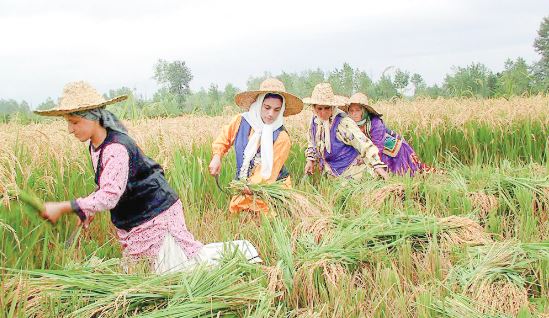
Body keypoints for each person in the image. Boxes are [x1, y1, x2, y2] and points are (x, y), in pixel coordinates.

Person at [36, 81, 261, 274]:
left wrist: (66, 206)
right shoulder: (96, 147)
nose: (69, 129)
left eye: (74, 122)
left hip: (157, 214)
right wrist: (88, 208)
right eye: (67, 122)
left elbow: (110, 196)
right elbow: (110, 185)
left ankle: (243, 253)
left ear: (94, 117)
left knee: (183, 270)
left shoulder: (116, 148)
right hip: (137, 217)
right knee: (145, 272)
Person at [208, 78, 303, 215]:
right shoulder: (241, 121)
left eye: (276, 110)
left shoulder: (282, 137)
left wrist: (251, 186)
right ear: (259, 104)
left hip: (269, 187)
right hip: (245, 185)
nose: (271, 114)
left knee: (266, 218)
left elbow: (269, 174)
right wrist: (217, 156)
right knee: (237, 214)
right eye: (267, 108)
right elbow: (224, 139)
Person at [303, 83, 388, 180]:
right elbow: (312, 141)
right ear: (314, 108)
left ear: (332, 107)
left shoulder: (343, 123)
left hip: (352, 171)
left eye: (327, 108)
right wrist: (310, 160)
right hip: (331, 172)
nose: (323, 112)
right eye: (319, 108)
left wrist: (377, 166)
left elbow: (363, 143)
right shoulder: (315, 121)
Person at [343, 92, 436, 175]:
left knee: (405, 173)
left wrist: (368, 160)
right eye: (351, 110)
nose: (354, 113)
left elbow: (378, 146)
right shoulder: (351, 124)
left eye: (358, 110)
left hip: (394, 151)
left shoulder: (375, 123)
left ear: (364, 111)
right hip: (374, 150)